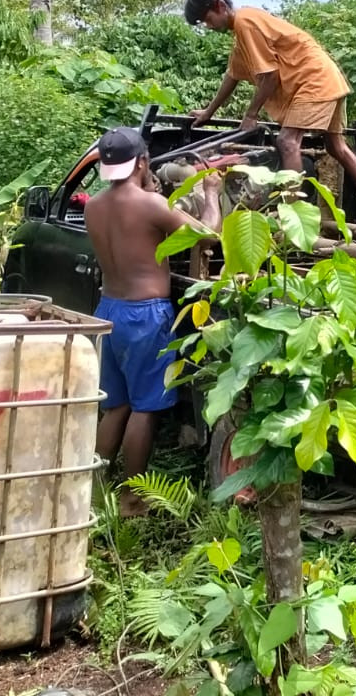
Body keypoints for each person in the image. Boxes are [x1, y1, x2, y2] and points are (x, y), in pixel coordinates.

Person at [85, 127, 223, 516]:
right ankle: (133, 498)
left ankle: (92, 486)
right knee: (145, 407)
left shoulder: (94, 206)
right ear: (142, 162)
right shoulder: (149, 205)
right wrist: (211, 193)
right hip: (145, 316)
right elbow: (208, 236)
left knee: (116, 407)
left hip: (108, 310)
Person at [182, 0, 356, 235]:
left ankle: (296, 218)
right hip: (326, 78)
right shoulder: (243, 32)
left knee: (288, 142)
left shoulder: (247, 22)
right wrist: (208, 112)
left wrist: (251, 114)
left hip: (313, 81)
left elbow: (270, 76)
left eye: (207, 19)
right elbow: (232, 76)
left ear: (221, 6)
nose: (208, 26)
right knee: (336, 147)